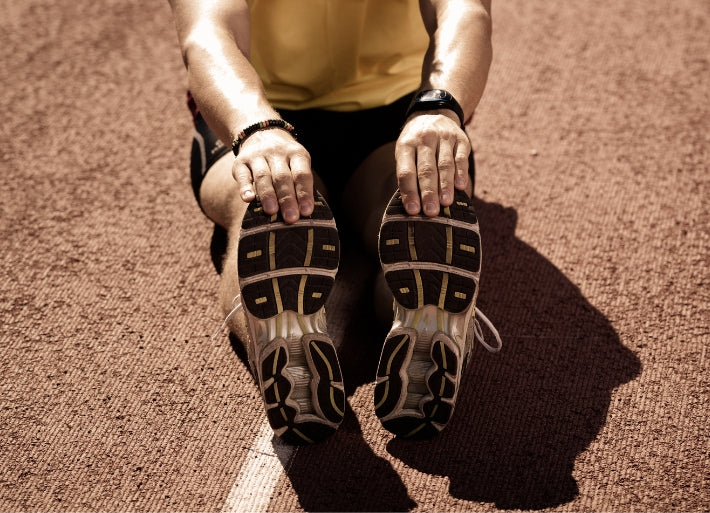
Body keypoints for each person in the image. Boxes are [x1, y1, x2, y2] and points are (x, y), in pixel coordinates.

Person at [168, 0, 501, 444]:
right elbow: (466, 13)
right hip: (385, 118)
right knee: (415, 201)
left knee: (265, 206)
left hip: (262, 107)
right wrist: (440, 108)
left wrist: (255, 128)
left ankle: (280, 338)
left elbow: (208, 32)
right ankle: (426, 319)